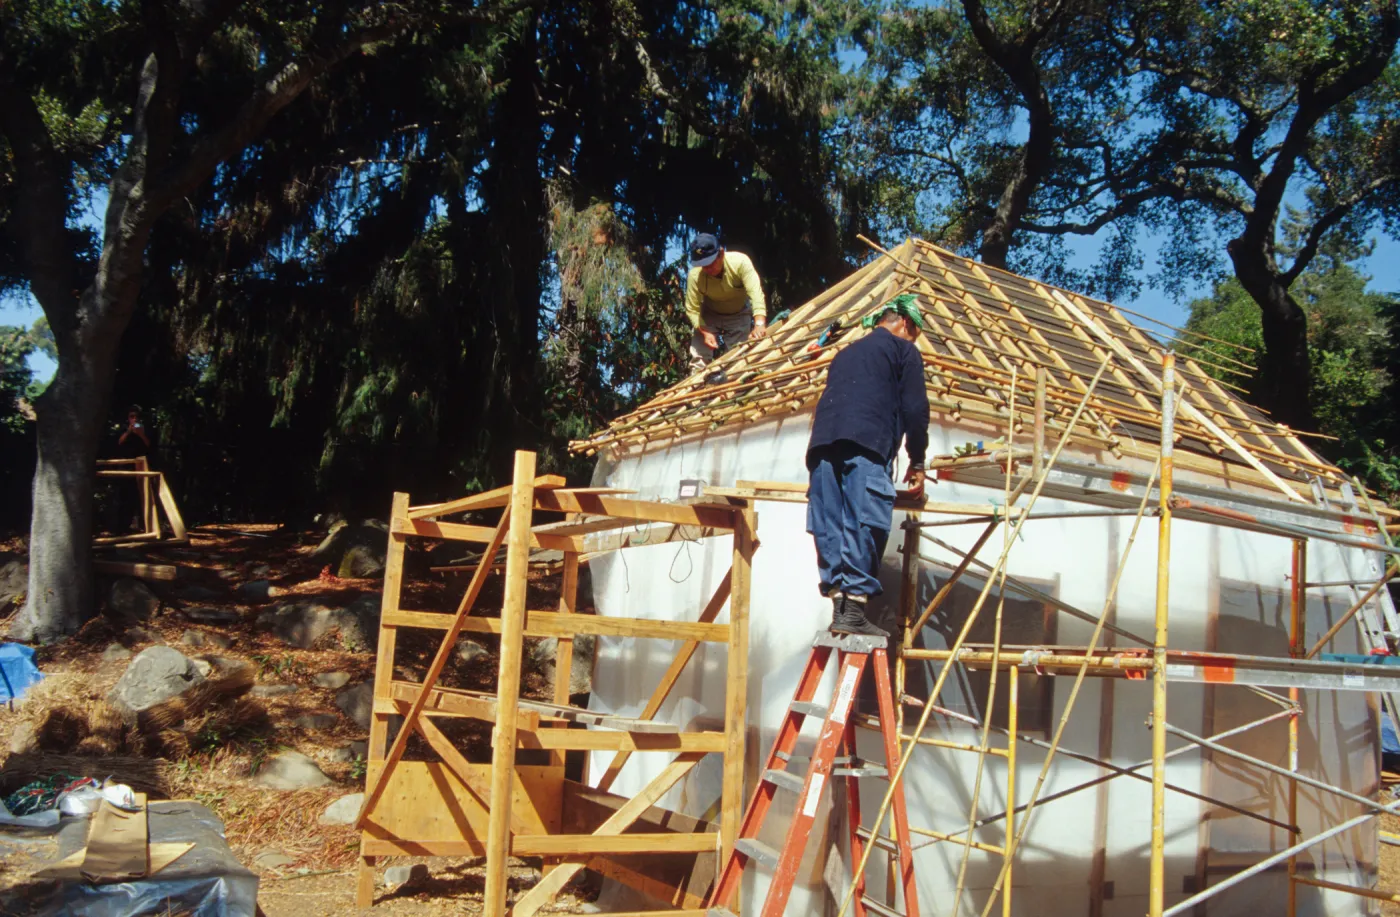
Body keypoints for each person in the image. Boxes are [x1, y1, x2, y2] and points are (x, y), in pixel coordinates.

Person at [805, 295, 930, 637]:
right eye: (915, 333)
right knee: (866, 519)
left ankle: (841, 609)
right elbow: (916, 411)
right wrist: (917, 460)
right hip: (866, 442)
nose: (914, 340)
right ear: (905, 323)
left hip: (822, 445)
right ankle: (855, 610)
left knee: (829, 522)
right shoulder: (904, 352)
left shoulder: (845, 353)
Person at [685, 233, 767, 371]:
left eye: (710, 263)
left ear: (721, 254)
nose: (707, 269)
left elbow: (755, 293)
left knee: (737, 358)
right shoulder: (695, 275)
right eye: (703, 265)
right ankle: (697, 385)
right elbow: (692, 309)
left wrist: (759, 323)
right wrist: (704, 332)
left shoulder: (740, 262)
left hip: (739, 314)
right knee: (699, 358)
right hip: (709, 316)